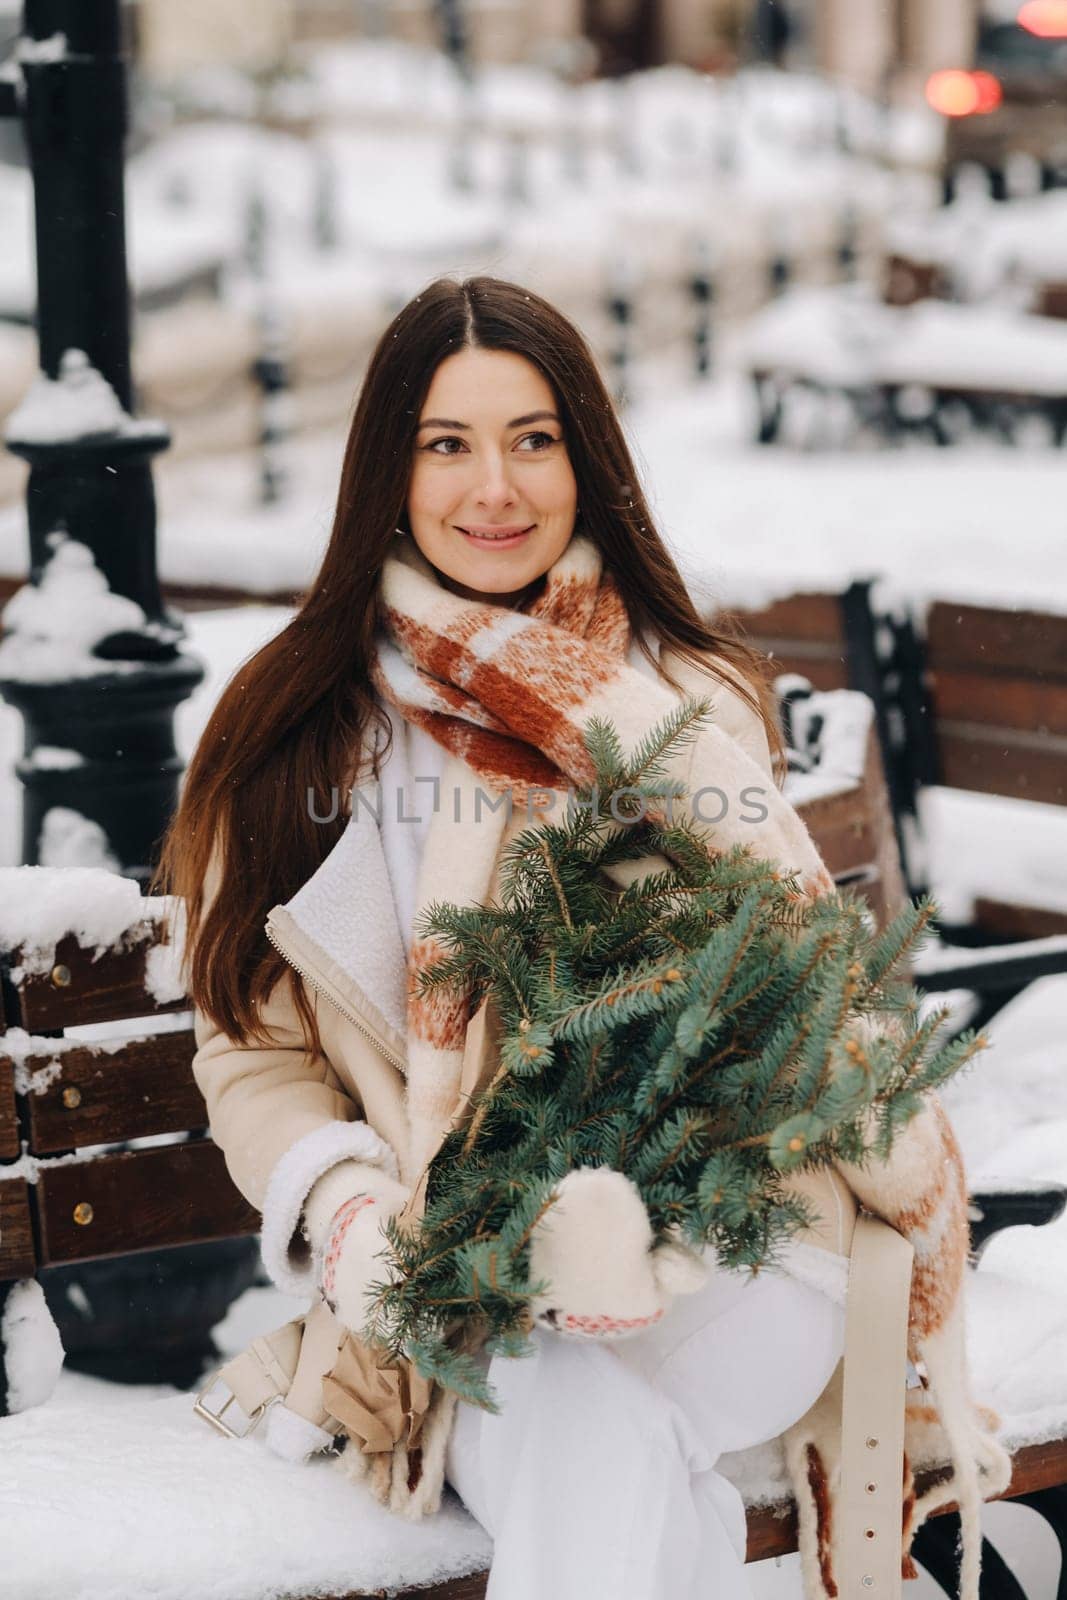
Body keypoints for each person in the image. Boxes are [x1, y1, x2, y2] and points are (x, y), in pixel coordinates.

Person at [155, 276, 1006, 1600]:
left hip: (744, 1244)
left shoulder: (671, 701)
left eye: (533, 438)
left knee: (576, 1392)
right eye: (447, 443)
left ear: (584, 460)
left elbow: (786, 996)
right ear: (388, 465)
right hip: (461, 1281)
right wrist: (349, 1201)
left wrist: (620, 1173)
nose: (494, 486)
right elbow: (252, 1058)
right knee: (578, 1412)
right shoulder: (290, 735)